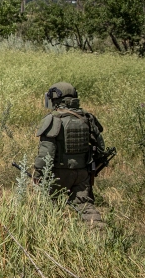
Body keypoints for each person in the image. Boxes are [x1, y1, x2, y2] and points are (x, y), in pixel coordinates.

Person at [34, 82, 104, 225]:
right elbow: (100, 147)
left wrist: (38, 174)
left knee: (49, 207)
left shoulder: (53, 119)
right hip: (82, 173)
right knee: (86, 207)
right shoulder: (87, 118)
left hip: (59, 173)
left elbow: (46, 152)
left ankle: (54, 237)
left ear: (54, 99)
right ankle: (98, 236)